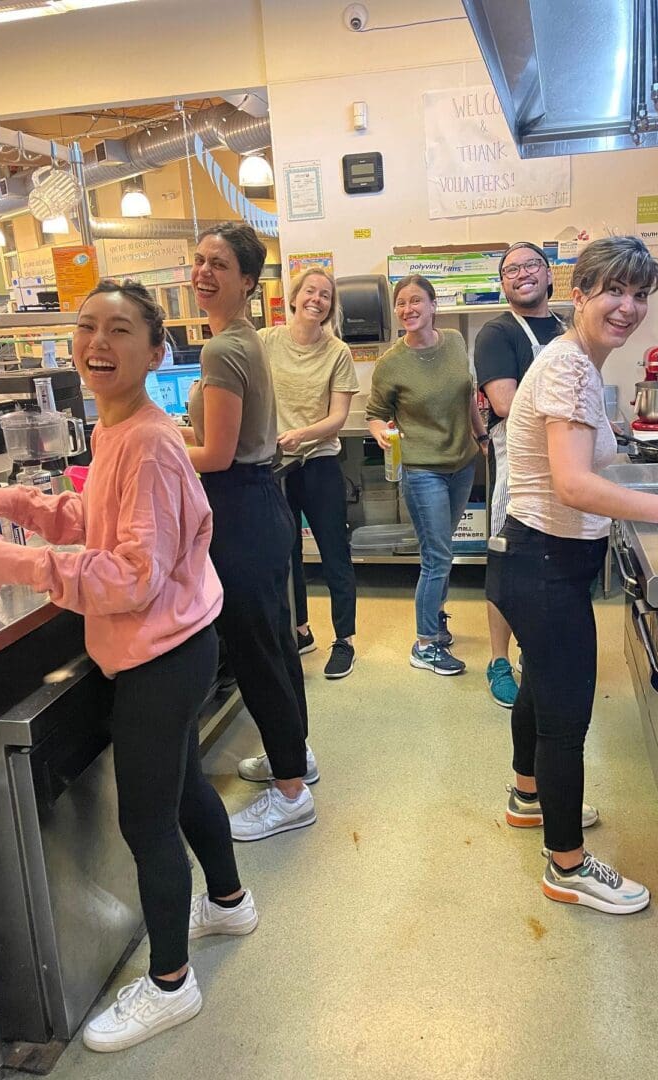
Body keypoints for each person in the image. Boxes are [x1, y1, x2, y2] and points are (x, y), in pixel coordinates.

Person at [0, 280, 258, 1052]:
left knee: (146, 818)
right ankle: (227, 900)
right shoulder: (118, 428)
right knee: (183, 789)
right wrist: (18, 508)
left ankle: (171, 985)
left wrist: (18, 564)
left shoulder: (147, 442)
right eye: (87, 327)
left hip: (161, 654)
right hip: (177, 644)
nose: (97, 344)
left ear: (157, 351)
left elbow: (131, 576)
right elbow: (96, 518)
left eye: (120, 331)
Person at [485, 236, 658, 915]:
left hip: (530, 559)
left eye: (639, 294)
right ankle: (567, 867)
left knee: (540, 694)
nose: (627, 307)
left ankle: (526, 797)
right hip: (544, 564)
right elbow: (572, 485)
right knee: (566, 723)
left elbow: (581, 469)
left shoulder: (576, 364)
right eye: (612, 291)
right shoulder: (569, 367)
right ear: (581, 293)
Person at [186, 222, 318, 841]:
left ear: (246, 281)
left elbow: (214, 454)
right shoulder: (241, 339)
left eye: (219, 264)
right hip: (260, 501)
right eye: (199, 261)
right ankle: (295, 754)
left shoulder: (223, 350)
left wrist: (150, 443)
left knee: (256, 650)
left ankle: (290, 792)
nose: (203, 272)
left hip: (239, 508)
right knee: (275, 642)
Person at [365, 274, 488, 675]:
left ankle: (434, 618)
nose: (408, 309)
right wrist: (381, 432)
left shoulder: (453, 341)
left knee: (443, 550)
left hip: (462, 463)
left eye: (416, 300)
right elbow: (374, 415)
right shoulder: (390, 363)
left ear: (434, 306)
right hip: (422, 471)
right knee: (436, 557)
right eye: (401, 303)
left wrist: (481, 434)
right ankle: (425, 644)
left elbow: (467, 392)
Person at [475, 242, 566, 708]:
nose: (522, 274)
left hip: (567, 463)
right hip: (522, 464)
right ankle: (497, 659)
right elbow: (506, 404)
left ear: (549, 275)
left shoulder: (567, 329)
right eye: (511, 269)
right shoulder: (497, 334)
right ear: (504, 283)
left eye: (531, 265)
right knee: (508, 563)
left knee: (554, 562)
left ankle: (537, 651)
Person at [260, 267, 360, 679]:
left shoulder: (338, 352)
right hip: (276, 465)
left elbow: (338, 418)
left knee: (335, 552)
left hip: (318, 461)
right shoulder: (266, 341)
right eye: (310, 292)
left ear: (329, 306)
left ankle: (345, 639)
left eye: (325, 295)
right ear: (294, 297)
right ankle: (299, 630)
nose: (317, 299)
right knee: (287, 555)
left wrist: (301, 434)